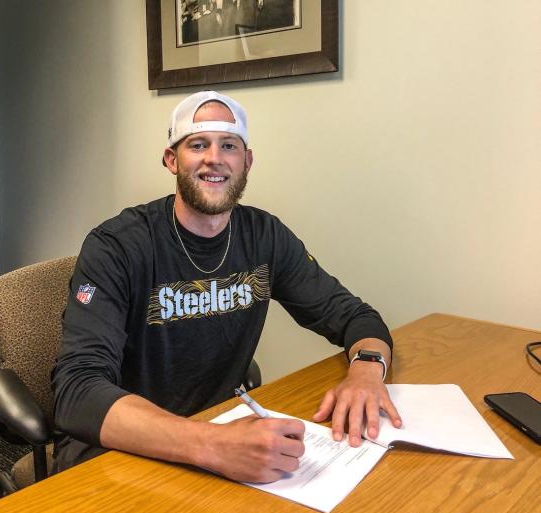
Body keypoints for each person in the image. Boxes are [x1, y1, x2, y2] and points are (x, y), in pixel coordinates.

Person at [52, 91, 401, 482]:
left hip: (217, 437)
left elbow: (355, 316)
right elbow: (76, 394)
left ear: (247, 161)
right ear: (172, 160)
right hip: (121, 450)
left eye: (229, 146)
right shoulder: (118, 246)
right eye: (197, 144)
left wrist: (367, 371)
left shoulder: (265, 237)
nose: (214, 158)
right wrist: (210, 444)